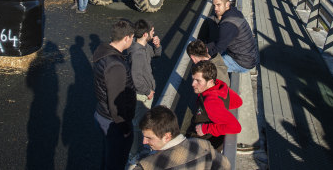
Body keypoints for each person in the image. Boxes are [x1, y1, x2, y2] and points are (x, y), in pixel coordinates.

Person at [92, 19, 137, 170]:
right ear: (126, 38)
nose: (132, 40)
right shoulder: (115, 65)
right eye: (132, 38)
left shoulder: (103, 52)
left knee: (108, 157)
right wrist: (125, 128)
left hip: (103, 114)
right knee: (116, 162)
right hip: (114, 122)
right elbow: (115, 102)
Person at [134, 106, 231, 170]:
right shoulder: (203, 145)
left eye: (149, 138)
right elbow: (225, 166)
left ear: (167, 137)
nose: (144, 141)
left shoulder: (147, 165)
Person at [186, 61, 242, 151]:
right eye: (193, 79)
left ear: (210, 81)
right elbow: (238, 102)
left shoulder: (211, 103)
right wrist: (221, 111)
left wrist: (206, 128)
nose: (193, 84)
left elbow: (235, 127)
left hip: (202, 147)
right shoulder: (219, 86)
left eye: (198, 81)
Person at [128, 20, 162, 159]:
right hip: (141, 95)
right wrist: (148, 91)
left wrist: (157, 46)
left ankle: (140, 148)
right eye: (152, 31)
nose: (154, 33)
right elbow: (136, 78)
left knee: (142, 123)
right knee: (138, 125)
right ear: (145, 34)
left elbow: (156, 54)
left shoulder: (144, 47)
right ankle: (133, 154)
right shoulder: (137, 54)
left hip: (146, 93)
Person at [205, 0, 257, 73]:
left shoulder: (228, 24)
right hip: (249, 55)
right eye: (214, 5)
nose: (215, 8)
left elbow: (219, 47)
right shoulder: (235, 11)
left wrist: (206, 56)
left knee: (206, 68)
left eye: (218, 5)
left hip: (242, 62)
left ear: (227, 4)